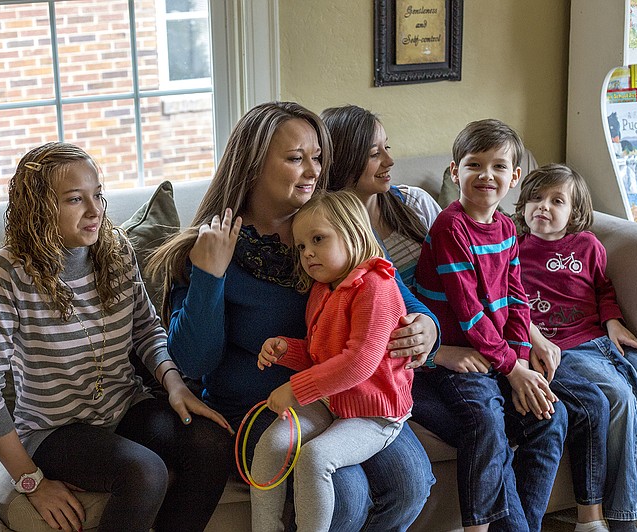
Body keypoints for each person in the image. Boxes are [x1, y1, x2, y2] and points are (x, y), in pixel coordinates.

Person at [147, 101, 438, 531]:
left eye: (317, 158)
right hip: (263, 406)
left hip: (349, 395)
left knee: (410, 483)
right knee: (346, 493)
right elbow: (194, 361)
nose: (313, 170)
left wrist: (427, 327)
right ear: (252, 165)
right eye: (295, 158)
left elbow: (392, 294)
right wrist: (210, 276)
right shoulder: (213, 243)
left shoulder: (335, 222)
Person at [0, 142, 232, 532]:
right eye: (75, 199)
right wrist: (30, 481)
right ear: (38, 208)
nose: (95, 210)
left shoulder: (117, 251)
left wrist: (174, 385)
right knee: (146, 472)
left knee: (212, 445)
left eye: (98, 194)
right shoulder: (4, 275)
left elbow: (145, 328)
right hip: (54, 430)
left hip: (124, 406)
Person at [412, 119, 568, 532]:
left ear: (515, 177)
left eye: (499, 166)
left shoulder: (505, 227)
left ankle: (525, 525)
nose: (486, 175)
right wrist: (513, 369)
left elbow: (518, 300)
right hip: (453, 358)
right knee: (485, 419)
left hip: (495, 354)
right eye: (474, 165)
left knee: (552, 416)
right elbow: (469, 313)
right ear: (454, 171)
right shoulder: (450, 228)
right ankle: (477, 527)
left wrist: (519, 361)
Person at [252, 190, 413, 531]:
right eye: (301, 246)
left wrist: (295, 390)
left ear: (353, 232)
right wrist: (286, 350)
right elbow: (318, 353)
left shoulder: (377, 286)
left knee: (315, 458)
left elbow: (359, 363)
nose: (307, 252)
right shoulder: (323, 290)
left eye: (318, 239)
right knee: (271, 445)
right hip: (334, 401)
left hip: (375, 414)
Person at [515, 163, 637, 532]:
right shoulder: (514, 250)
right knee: (621, 398)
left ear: (574, 213)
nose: (543, 206)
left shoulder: (588, 245)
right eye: (535, 198)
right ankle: (626, 516)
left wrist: (614, 322)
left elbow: (603, 289)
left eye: (556, 200)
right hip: (565, 351)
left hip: (604, 338)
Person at [321, 104, 441, 287]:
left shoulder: (416, 201)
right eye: (375, 154)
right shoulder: (324, 233)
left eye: (387, 146)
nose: (390, 161)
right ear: (343, 161)